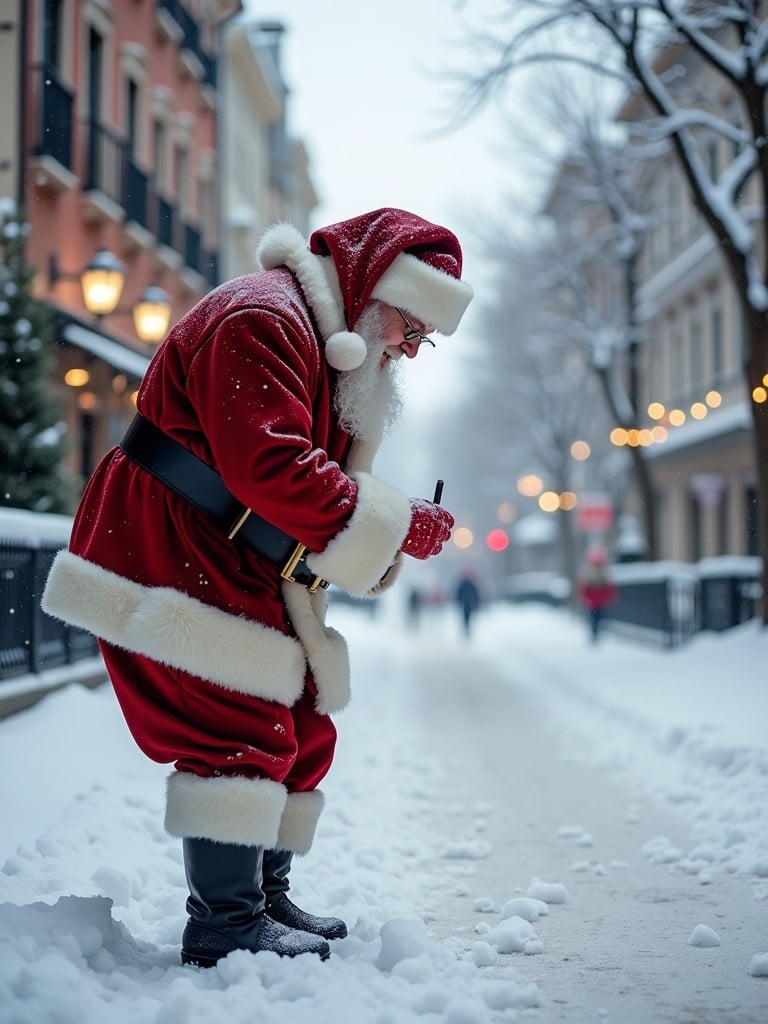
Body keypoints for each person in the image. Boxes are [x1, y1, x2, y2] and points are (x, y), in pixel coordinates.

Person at [41, 207, 473, 967]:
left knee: (300, 719)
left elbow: (291, 478)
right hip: (167, 543)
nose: (409, 349)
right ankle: (225, 923)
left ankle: (262, 896)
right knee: (236, 724)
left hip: (226, 549)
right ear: (374, 288)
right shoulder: (261, 318)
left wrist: (382, 525)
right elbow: (270, 468)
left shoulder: (318, 338)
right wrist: (397, 523)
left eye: (422, 339)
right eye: (412, 326)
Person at [578, 545, 618, 643]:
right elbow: (584, 588)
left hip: (598, 602)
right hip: (594, 602)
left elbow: (610, 588)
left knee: (597, 618)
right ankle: (595, 633)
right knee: (595, 618)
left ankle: (596, 632)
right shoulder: (589, 573)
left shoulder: (603, 573)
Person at [455, 568, 481, 637]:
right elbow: (458, 594)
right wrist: (459, 601)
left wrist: (476, 602)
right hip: (465, 604)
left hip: (469, 604)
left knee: (468, 617)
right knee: (465, 618)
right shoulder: (462, 584)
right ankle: (466, 630)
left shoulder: (470, 583)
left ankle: (467, 630)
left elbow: (475, 593)